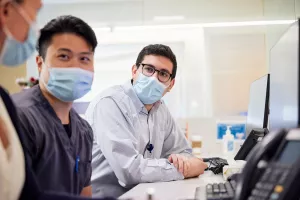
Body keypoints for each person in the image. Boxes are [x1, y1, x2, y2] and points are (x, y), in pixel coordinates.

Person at [86, 44, 208, 198]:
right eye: (149, 69)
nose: (153, 78)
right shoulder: (109, 104)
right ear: (135, 71)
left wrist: (182, 160)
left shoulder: (160, 109)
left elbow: (184, 152)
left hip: (143, 193)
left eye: (163, 74)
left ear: (171, 84)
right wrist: (182, 169)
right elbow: (129, 170)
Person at [11, 15, 97, 197]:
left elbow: (84, 193)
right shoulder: (19, 117)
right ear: (40, 63)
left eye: (84, 59)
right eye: (64, 56)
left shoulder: (83, 130)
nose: (76, 66)